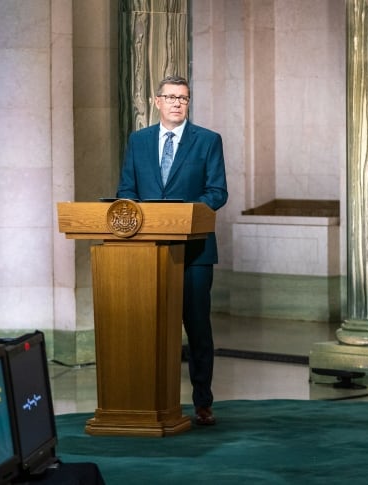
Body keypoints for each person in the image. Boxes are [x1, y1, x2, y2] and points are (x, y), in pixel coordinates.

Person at [117, 75, 229, 426]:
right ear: (157, 102)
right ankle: (150, 400)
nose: (177, 103)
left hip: (195, 252)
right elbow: (126, 189)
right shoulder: (139, 141)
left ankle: (202, 403)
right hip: (148, 251)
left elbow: (217, 192)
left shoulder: (208, 141)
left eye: (183, 98)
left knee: (197, 328)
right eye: (171, 97)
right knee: (149, 328)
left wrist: (184, 216)